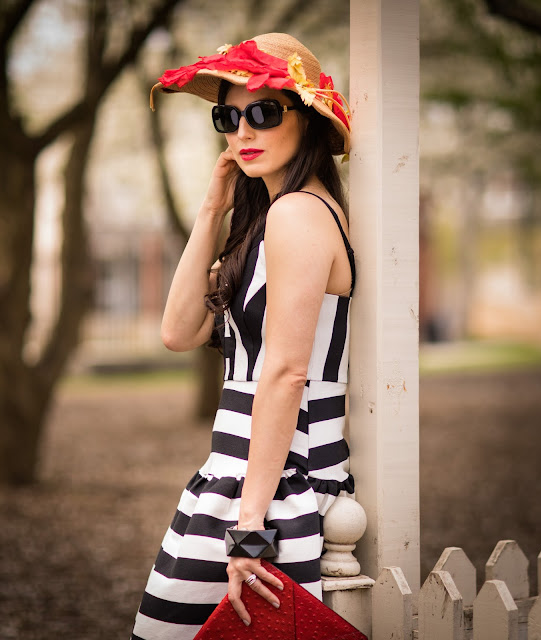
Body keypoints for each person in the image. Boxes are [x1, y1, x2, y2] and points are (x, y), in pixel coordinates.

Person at [131, 32, 356, 640]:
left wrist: (250, 530)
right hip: (236, 482)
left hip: (270, 491)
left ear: (306, 118)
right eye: (227, 117)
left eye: (262, 112)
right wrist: (211, 212)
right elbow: (179, 331)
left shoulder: (299, 214)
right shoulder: (266, 223)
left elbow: (286, 373)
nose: (242, 132)